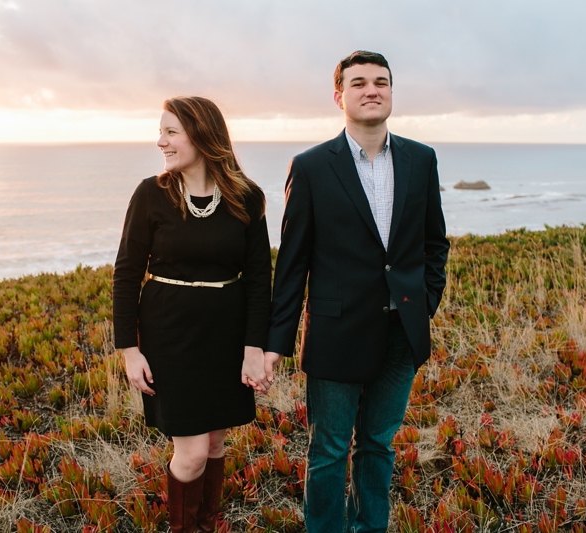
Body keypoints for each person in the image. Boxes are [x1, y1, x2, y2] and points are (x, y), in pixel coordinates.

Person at [264, 51, 450, 532]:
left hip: (401, 333)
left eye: (381, 82)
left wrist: (424, 302)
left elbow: (435, 243)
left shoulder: (421, 159)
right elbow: (292, 264)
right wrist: (275, 343)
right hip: (336, 332)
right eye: (360, 82)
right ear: (339, 96)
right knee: (328, 449)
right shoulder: (309, 167)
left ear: (391, 92)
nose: (372, 90)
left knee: (378, 444)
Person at [112, 96, 272, 533]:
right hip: (169, 335)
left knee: (217, 440)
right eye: (160, 131)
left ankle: (206, 524)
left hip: (226, 334)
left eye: (170, 132)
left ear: (201, 134)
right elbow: (126, 273)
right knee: (193, 451)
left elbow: (260, 279)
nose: (159, 140)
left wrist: (254, 348)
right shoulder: (151, 194)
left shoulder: (246, 196)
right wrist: (128, 349)